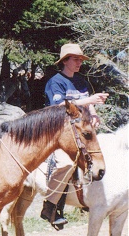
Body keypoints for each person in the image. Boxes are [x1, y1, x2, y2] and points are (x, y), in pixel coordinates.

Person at [41, 43, 108, 228]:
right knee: (66, 163)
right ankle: (51, 206)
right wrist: (89, 100)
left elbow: (87, 104)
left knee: (98, 154)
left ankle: (93, 198)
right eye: (76, 59)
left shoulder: (80, 81)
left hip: (77, 131)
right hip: (56, 131)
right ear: (65, 61)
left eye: (81, 59)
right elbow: (60, 106)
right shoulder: (55, 81)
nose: (79, 62)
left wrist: (94, 114)